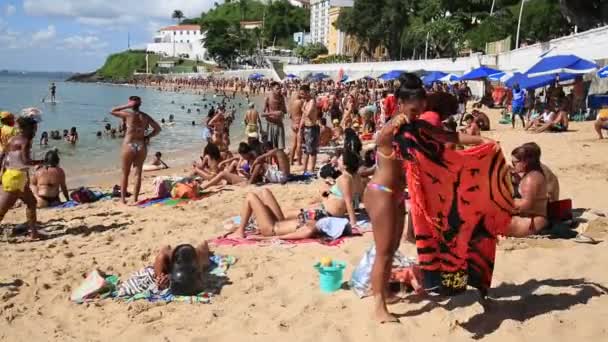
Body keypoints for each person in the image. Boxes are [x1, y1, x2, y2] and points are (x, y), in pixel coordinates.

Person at [227, 188, 353, 241]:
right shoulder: (318, 223)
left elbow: (285, 237)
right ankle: (251, 222)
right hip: (280, 222)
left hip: (272, 229)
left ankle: (240, 231)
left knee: (250, 197)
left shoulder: (312, 228)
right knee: (265, 191)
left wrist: (263, 239)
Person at [111, 96, 162, 204]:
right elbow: (158, 129)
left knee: (125, 173)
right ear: (140, 104)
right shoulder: (145, 116)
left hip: (129, 144)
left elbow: (112, 111)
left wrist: (127, 105)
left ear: (131, 103)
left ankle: (123, 199)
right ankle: (135, 199)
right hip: (141, 144)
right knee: (138, 173)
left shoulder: (127, 114)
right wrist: (148, 136)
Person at [0, 116, 44, 239]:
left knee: (32, 202)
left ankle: (34, 233)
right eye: (34, 129)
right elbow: (25, 161)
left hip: (12, 175)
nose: (35, 131)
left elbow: (3, 156)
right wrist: (42, 161)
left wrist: (2, 172)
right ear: (28, 128)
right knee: (2, 209)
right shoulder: (25, 141)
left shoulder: (12, 139)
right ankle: (33, 232)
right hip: (16, 177)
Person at [507, 144, 549, 237]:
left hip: (533, 222)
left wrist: (504, 202)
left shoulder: (531, 179)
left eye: (515, 162)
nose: (513, 165)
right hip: (534, 219)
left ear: (525, 162)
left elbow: (526, 206)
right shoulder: (534, 173)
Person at [298, 84, 320, 175]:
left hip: (312, 128)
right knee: (306, 150)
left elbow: (308, 113)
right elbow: (303, 116)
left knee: (312, 150)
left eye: (303, 94)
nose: (301, 96)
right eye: (301, 94)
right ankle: (304, 169)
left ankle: (311, 169)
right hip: (306, 127)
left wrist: (302, 109)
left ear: (307, 92)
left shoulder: (312, 101)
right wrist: (300, 127)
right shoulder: (306, 102)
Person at [263, 81, 287, 150]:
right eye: (277, 88)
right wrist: (272, 113)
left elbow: (284, 112)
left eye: (279, 88)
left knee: (280, 147)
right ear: (272, 89)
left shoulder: (281, 98)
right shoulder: (267, 97)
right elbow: (262, 113)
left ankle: (279, 160)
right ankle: (270, 161)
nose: (279, 90)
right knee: (270, 147)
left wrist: (272, 113)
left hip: (279, 124)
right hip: (270, 124)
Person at [288, 91, 304, 165]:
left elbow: (290, 116)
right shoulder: (300, 102)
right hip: (299, 123)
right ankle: (299, 161)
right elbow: (304, 112)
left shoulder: (290, 103)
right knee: (299, 144)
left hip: (293, 124)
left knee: (293, 144)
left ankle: (291, 161)